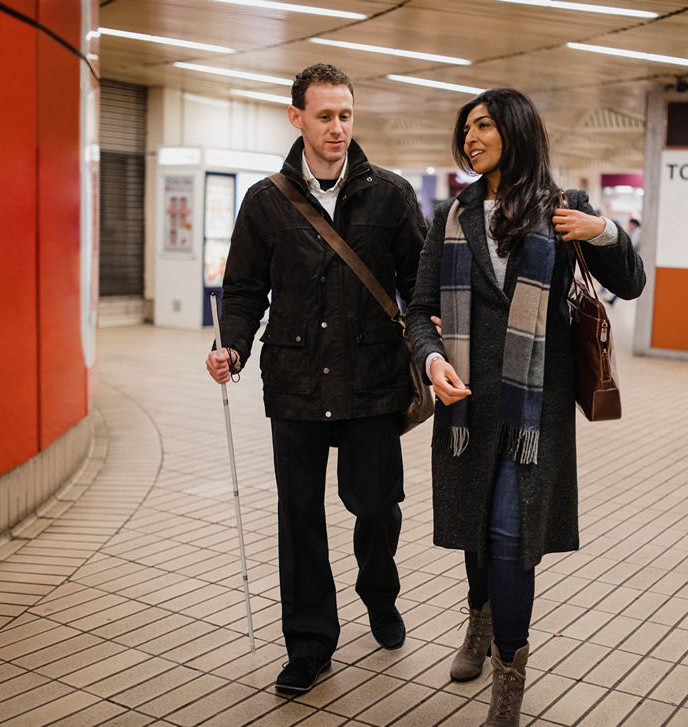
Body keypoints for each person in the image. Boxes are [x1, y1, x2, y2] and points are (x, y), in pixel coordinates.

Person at [405, 88, 644, 726]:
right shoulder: (450, 216)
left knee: (510, 536)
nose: (471, 139)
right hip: (465, 406)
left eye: (483, 126)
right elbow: (419, 307)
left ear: (515, 131)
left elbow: (632, 280)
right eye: (466, 130)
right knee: (477, 538)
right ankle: (479, 619)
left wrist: (604, 232)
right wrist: (431, 360)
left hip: (532, 410)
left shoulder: (566, 210)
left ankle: (508, 678)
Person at [205, 63, 426, 693]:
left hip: (374, 386)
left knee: (377, 506)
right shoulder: (265, 201)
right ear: (296, 117)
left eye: (346, 115)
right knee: (300, 518)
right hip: (296, 386)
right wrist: (232, 347)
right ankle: (309, 643)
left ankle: (379, 592)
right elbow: (243, 291)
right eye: (325, 115)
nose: (337, 127)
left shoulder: (391, 195)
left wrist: (429, 340)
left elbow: (419, 284)